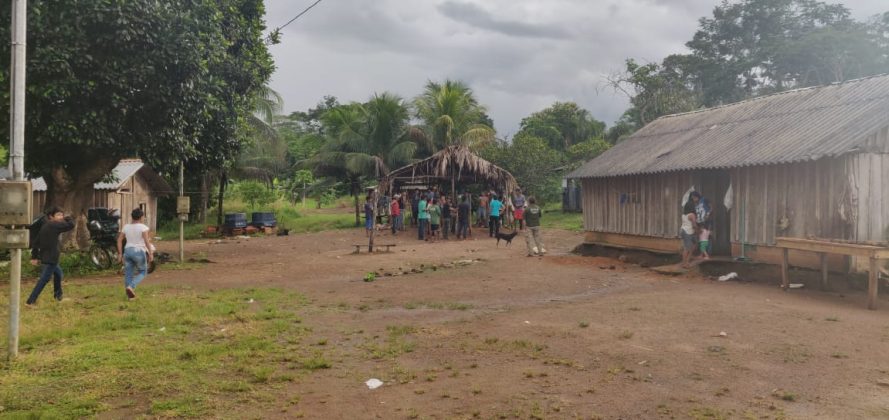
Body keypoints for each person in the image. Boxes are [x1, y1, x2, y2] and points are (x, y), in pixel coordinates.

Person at [26, 207, 75, 306]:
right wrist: (68, 217)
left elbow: (36, 242)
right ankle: (30, 301)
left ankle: (58, 296)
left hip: (47, 256)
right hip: (51, 257)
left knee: (58, 274)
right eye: (58, 215)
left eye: (62, 214)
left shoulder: (46, 225)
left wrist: (34, 256)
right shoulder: (54, 225)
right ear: (51, 217)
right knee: (44, 279)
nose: (61, 217)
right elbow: (71, 225)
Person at [116, 208, 154, 300]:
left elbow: (119, 240)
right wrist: (150, 253)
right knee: (143, 272)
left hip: (127, 251)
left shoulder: (126, 227)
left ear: (132, 217)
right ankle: (131, 287)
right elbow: (146, 241)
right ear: (141, 217)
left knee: (128, 274)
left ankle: (130, 297)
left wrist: (120, 254)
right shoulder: (143, 227)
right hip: (138, 251)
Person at [680, 192, 700, 268]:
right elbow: (694, 225)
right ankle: (684, 263)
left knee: (693, 246)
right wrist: (698, 231)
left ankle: (687, 262)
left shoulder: (684, 214)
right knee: (687, 248)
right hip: (687, 232)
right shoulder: (692, 215)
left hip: (686, 231)